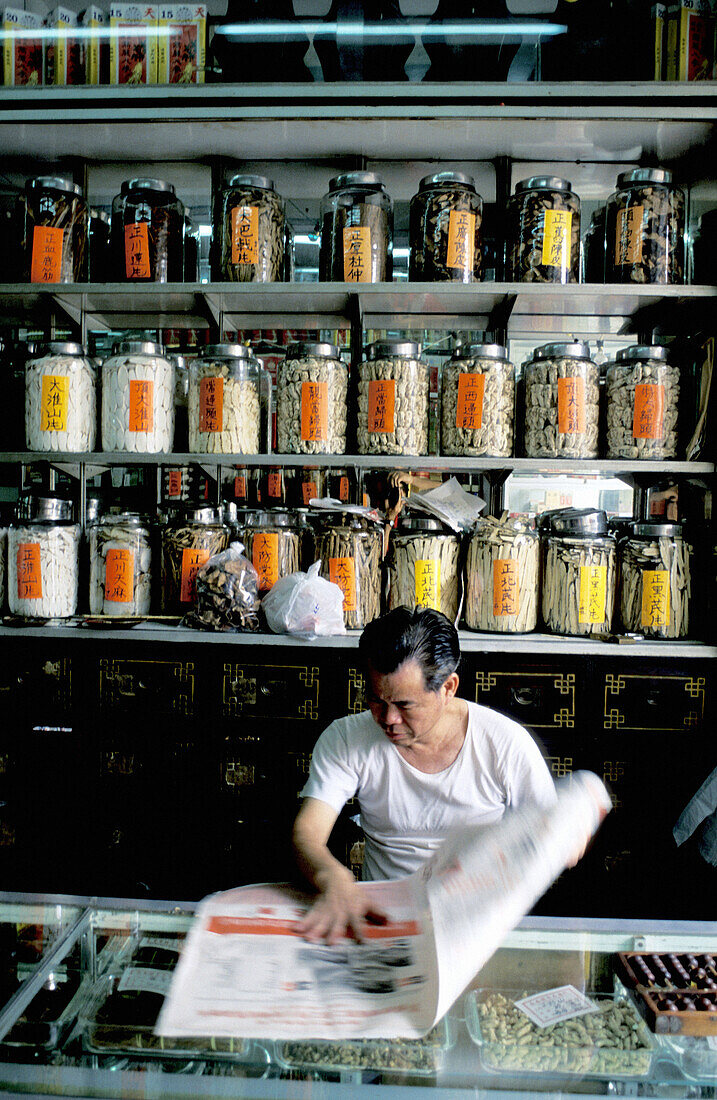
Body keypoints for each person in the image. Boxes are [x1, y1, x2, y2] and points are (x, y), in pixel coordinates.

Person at [292, 606, 557, 944]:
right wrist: (334, 878)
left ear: (448, 687)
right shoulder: (346, 739)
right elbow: (307, 832)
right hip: (385, 924)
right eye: (375, 700)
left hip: (478, 925)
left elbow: (548, 837)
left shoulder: (504, 744)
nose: (388, 719)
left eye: (405, 705)